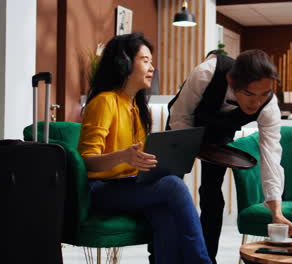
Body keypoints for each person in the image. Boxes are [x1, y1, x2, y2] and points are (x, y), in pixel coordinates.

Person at [78, 32, 212, 264]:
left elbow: (137, 159)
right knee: (173, 185)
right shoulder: (104, 102)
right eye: (145, 60)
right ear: (125, 63)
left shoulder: (137, 109)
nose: (152, 68)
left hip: (128, 185)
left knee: (165, 215)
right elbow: (86, 161)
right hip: (100, 190)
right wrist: (123, 157)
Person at [167, 49, 292, 263]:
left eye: (264, 94)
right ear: (231, 80)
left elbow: (271, 155)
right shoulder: (206, 73)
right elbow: (180, 116)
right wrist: (190, 151)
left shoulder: (269, 106)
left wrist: (276, 210)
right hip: (184, 125)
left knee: (212, 196)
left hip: (219, 135)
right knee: (170, 189)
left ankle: (206, 259)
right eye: (249, 94)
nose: (256, 103)